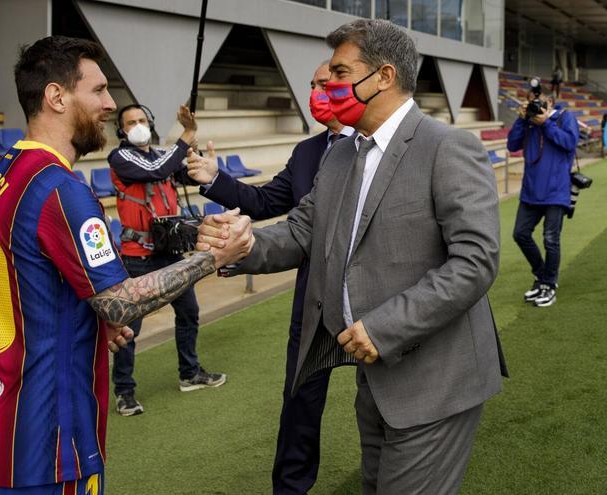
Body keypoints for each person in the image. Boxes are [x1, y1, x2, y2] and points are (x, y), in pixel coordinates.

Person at [196, 19, 507, 494]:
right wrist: (246, 244)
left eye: (340, 73)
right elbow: (303, 230)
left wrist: (383, 328)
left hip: (436, 383)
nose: (329, 86)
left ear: (383, 76)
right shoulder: (340, 155)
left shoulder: (447, 147)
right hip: (377, 383)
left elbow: (475, 262)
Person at [0, 35, 252, 495]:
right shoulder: (61, 189)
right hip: (51, 436)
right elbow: (119, 305)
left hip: (2, 424)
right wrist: (213, 257)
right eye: (99, 90)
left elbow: (31, 286)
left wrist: (93, 324)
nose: (109, 104)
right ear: (56, 96)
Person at [186, 61, 354, 494]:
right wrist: (214, 179)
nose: (317, 91)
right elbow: (262, 202)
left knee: (382, 399)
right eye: (312, 84)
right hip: (314, 298)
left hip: (372, 299)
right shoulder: (307, 153)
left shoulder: (377, 147)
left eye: (326, 83)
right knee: (299, 403)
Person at [107, 103, 225, 417]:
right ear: (121, 130)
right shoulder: (120, 158)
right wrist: (187, 133)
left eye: (142, 119)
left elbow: (183, 175)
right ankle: (125, 392)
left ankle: (190, 373)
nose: (137, 125)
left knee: (189, 313)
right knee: (128, 329)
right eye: (130, 122)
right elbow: (156, 171)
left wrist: (197, 159)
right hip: (137, 258)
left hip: (171, 253)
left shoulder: (162, 154)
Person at [507, 91, 579, 307]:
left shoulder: (565, 117)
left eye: (539, 102)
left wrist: (546, 123)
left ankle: (549, 284)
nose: (535, 106)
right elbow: (512, 145)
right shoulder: (527, 122)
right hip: (531, 191)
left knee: (550, 239)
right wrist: (522, 119)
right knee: (520, 234)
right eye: (531, 102)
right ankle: (542, 275)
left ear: (550, 102)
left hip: (556, 191)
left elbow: (569, 142)